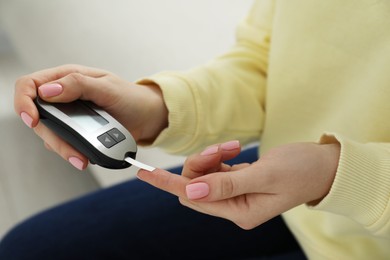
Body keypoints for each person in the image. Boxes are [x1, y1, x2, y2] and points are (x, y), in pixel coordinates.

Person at [0, 0, 389, 259]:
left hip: (363, 206)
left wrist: (338, 175)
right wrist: (157, 107)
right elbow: (265, 59)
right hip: (296, 173)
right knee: (31, 249)